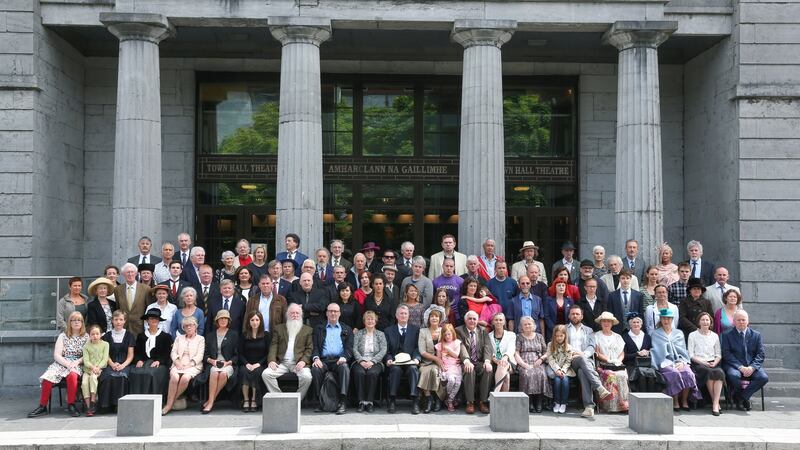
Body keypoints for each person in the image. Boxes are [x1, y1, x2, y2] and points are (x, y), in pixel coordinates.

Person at [29, 311, 88, 418]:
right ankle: (42, 406)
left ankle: (71, 404)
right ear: (69, 322)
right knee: (47, 377)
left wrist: (77, 362)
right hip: (61, 363)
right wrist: (66, 363)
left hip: (77, 363)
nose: (76, 322)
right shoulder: (63, 336)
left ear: (82, 323)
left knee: (72, 376)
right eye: (73, 320)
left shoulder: (86, 337)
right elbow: (57, 354)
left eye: (79, 320)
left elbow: (88, 354)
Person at [564, 305, 613, 418]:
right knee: (581, 361)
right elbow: (561, 345)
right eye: (573, 314)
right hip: (570, 360)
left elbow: (591, 346)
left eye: (577, 314)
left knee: (582, 372)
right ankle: (599, 387)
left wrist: (583, 354)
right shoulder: (564, 328)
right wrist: (573, 352)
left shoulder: (589, 330)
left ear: (581, 316)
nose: (575, 316)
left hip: (585, 360)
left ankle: (589, 407)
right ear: (569, 315)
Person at [650, 308, 702, 411]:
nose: (666, 321)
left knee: (687, 372)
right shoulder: (656, 333)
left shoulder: (679, 333)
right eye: (664, 318)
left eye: (669, 318)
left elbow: (682, 349)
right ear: (660, 319)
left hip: (679, 360)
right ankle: (675, 401)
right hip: (664, 362)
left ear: (672, 319)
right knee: (674, 373)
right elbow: (657, 351)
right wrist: (667, 363)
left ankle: (684, 400)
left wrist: (682, 362)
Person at [262, 304, 314, 399]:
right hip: (282, 363)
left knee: (307, 377)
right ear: (287, 315)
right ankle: (280, 397)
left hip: (298, 363)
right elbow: (274, 346)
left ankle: (297, 399)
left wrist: (303, 361)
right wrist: (272, 360)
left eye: (297, 313)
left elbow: (309, 348)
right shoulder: (279, 328)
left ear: (301, 315)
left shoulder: (307, 330)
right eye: (292, 313)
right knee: (266, 374)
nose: (295, 315)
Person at [721, 310, 769, 412]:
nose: (741, 322)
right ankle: (743, 399)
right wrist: (740, 367)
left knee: (763, 377)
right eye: (738, 320)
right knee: (733, 376)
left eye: (743, 320)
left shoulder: (756, 335)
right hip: (734, 366)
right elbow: (726, 354)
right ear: (734, 322)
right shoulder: (726, 335)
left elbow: (760, 354)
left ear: (748, 321)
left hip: (752, 366)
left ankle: (741, 397)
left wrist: (752, 367)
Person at [311, 303, 354, 415]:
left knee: (344, 368)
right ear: (326, 313)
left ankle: (343, 402)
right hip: (323, 360)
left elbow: (349, 348)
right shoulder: (319, 328)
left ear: (339, 313)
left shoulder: (346, 329)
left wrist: (344, 357)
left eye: (335, 311)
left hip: (339, 360)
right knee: (315, 369)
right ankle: (319, 401)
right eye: (330, 311)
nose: (333, 313)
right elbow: (314, 346)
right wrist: (316, 358)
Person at [162, 316, 205, 415]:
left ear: (195, 326)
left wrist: (189, 365)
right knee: (175, 377)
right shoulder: (179, 338)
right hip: (178, 363)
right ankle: (171, 403)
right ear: (183, 328)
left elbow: (200, 355)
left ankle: (169, 404)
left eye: (191, 325)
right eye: (186, 326)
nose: (189, 327)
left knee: (185, 378)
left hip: (194, 365)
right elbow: (173, 352)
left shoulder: (200, 339)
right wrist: (177, 363)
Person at [384, 304, 421, 414]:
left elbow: (417, 347)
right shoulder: (388, 330)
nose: (403, 315)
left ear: (409, 315)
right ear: (396, 316)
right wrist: (388, 359)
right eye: (401, 313)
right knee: (395, 370)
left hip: (410, 361)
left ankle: (415, 400)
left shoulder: (415, 330)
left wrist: (417, 358)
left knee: (413, 369)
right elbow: (386, 349)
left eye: (405, 313)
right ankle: (392, 400)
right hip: (395, 362)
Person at [455, 310, 494, 414]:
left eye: (474, 319)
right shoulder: (459, 331)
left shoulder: (483, 331)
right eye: (469, 318)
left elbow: (487, 346)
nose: (472, 321)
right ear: (465, 320)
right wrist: (466, 361)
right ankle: (470, 402)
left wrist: (487, 361)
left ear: (477, 320)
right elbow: (461, 346)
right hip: (465, 361)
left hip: (479, 362)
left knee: (488, 369)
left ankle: (483, 402)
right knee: (469, 370)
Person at [200, 310, 239, 414]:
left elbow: (237, 355)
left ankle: (210, 401)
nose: (223, 320)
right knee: (214, 373)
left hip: (227, 364)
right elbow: (205, 354)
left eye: (225, 318)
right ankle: (211, 402)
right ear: (217, 321)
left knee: (222, 374)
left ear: (228, 321)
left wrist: (229, 362)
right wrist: (211, 360)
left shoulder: (234, 335)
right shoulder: (210, 335)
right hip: (214, 363)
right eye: (221, 318)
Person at [97, 310, 135, 412]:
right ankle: (106, 405)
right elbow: (105, 354)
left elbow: (130, 355)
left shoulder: (129, 335)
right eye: (116, 319)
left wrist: (123, 365)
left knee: (122, 376)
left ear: (124, 321)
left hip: (125, 364)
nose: (118, 322)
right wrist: (112, 364)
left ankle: (120, 405)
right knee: (108, 376)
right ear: (112, 321)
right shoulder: (107, 336)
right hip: (110, 363)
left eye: (121, 319)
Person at [129, 308, 173, 396]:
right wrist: (139, 360)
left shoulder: (166, 337)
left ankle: (153, 399)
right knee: (135, 372)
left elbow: (167, 353)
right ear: (147, 321)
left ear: (159, 321)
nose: (154, 320)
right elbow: (137, 351)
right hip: (144, 362)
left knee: (151, 373)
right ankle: (137, 398)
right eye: (151, 318)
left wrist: (159, 361)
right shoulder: (141, 336)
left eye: (156, 318)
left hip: (159, 364)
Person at [688, 312, 725, 415]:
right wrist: (702, 362)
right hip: (698, 363)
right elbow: (691, 354)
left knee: (719, 373)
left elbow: (718, 354)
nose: (705, 322)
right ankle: (716, 404)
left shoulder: (715, 336)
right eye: (703, 320)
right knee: (708, 372)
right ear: (699, 322)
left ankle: (715, 402)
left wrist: (715, 362)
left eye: (707, 320)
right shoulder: (692, 335)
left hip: (712, 363)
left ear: (710, 322)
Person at [593, 311, 630, 413]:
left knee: (622, 375)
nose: (606, 323)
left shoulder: (618, 337)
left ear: (612, 323)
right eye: (604, 321)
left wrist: (618, 361)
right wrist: (608, 360)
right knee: (611, 375)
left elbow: (622, 353)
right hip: (602, 365)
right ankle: (611, 406)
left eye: (608, 321)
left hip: (617, 365)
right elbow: (597, 353)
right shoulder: (596, 336)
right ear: (601, 323)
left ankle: (624, 405)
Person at [351, 310, 387, 412]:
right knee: (359, 372)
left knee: (372, 373)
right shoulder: (358, 334)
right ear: (364, 321)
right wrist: (361, 361)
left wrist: (373, 361)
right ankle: (361, 402)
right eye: (368, 319)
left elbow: (383, 349)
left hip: (375, 361)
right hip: (360, 361)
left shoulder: (381, 334)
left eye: (372, 319)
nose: (370, 321)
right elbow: (354, 349)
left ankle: (370, 402)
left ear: (375, 321)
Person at [514, 316, 551, 412]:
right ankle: (529, 402)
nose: (527, 326)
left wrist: (541, 359)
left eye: (529, 324)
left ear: (534, 325)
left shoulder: (539, 336)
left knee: (541, 373)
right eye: (525, 324)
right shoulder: (519, 337)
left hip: (537, 361)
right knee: (527, 374)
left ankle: (538, 401)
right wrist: (523, 364)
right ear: (521, 326)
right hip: (524, 361)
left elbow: (546, 352)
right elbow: (516, 353)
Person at [239, 310, 270, 412]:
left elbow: (267, 354)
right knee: (244, 372)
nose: (255, 322)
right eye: (252, 320)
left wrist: (258, 364)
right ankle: (246, 399)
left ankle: (254, 400)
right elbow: (240, 353)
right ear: (249, 321)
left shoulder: (266, 335)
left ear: (260, 321)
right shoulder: (244, 335)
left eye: (257, 319)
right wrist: (247, 364)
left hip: (260, 364)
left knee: (256, 372)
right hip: (246, 363)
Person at [417, 307, 444, 414]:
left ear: (440, 318)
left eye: (436, 316)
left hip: (442, 361)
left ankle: (438, 399)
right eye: (432, 316)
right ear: (428, 318)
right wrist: (435, 358)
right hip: (426, 361)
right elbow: (422, 351)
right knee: (424, 371)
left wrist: (439, 359)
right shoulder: (423, 331)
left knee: (435, 371)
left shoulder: (443, 331)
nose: (434, 318)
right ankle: (428, 399)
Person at [622, 316, 658, 392]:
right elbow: (624, 356)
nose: (636, 324)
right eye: (633, 322)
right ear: (630, 325)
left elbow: (652, 351)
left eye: (638, 322)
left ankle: (650, 398)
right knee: (641, 374)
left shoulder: (647, 337)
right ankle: (640, 398)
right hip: (631, 365)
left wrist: (648, 352)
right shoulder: (624, 337)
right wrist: (637, 354)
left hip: (646, 365)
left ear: (641, 325)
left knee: (652, 374)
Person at [114, 263, 150, 336]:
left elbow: (148, 308)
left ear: (136, 273)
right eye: (127, 272)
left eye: (132, 272)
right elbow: (117, 307)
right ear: (123, 274)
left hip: (139, 327)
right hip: (123, 327)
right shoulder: (118, 289)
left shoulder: (146, 289)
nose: (130, 274)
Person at [81, 325, 109, 417]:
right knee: (84, 383)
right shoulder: (86, 346)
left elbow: (105, 359)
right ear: (89, 335)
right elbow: (86, 361)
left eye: (97, 334)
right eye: (92, 334)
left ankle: (93, 402)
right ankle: (88, 405)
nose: (95, 336)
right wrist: (93, 367)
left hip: (99, 369)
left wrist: (98, 368)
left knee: (93, 378)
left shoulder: (105, 344)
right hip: (88, 370)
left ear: (101, 335)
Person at [546, 324, 574, 414]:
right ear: (554, 336)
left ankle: (564, 403)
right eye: (557, 336)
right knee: (557, 380)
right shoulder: (550, 345)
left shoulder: (569, 347)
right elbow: (550, 359)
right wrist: (557, 369)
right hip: (553, 368)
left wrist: (562, 370)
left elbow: (568, 361)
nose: (559, 338)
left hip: (565, 369)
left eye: (561, 336)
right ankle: (557, 402)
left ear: (565, 336)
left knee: (565, 380)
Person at [606, 270, 645, 334]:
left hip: (633, 329)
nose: (625, 280)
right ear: (619, 279)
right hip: (617, 329)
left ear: (631, 279)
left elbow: (640, 313)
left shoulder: (638, 295)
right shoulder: (612, 295)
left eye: (627, 278)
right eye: (623, 278)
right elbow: (610, 313)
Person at [435, 323, 462, 412]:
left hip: (456, 367)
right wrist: (441, 366)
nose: (447, 336)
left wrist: (449, 350)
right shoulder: (440, 345)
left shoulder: (456, 342)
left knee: (457, 382)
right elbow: (438, 358)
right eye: (445, 334)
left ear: (453, 333)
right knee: (451, 380)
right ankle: (450, 399)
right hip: (446, 367)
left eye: (449, 334)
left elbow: (456, 355)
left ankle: (449, 399)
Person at [488, 313, 516, 392]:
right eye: (496, 320)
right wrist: (495, 360)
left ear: (504, 322)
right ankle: (503, 400)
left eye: (501, 320)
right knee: (506, 376)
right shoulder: (489, 336)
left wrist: (504, 357)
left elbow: (511, 348)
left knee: (503, 365)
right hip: (494, 362)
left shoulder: (511, 335)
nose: (498, 322)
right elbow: (489, 350)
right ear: (493, 322)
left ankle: (495, 392)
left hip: (508, 360)